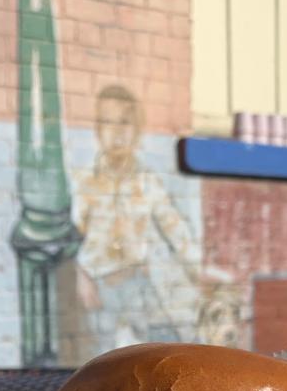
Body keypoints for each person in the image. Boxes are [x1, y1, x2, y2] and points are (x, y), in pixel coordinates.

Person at [73, 84, 199, 354]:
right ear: (97, 130)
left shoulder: (147, 182)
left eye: (124, 123)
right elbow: (75, 235)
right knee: (100, 354)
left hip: (136, 281)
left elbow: (173, 226)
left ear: (138, 130)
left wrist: (196, 268)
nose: (116, 131)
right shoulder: (85, 181)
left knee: (150, 350)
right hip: (99, 284)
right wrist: (82, 277)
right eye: (107, 122)